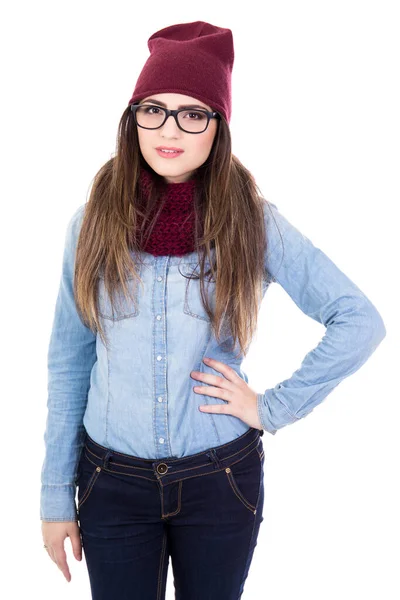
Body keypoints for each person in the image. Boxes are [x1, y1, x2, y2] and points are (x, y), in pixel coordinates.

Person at [40, 20, 386, 600]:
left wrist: (271, 408)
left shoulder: (253, 221)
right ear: (132, 119)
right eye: (153, 109)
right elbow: (69, 361)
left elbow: (359, 320)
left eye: (192, 112)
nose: (169, 128)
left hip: (220, 481)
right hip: (110, 483)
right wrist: (55, 493)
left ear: (217, 127)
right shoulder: (92, 222)